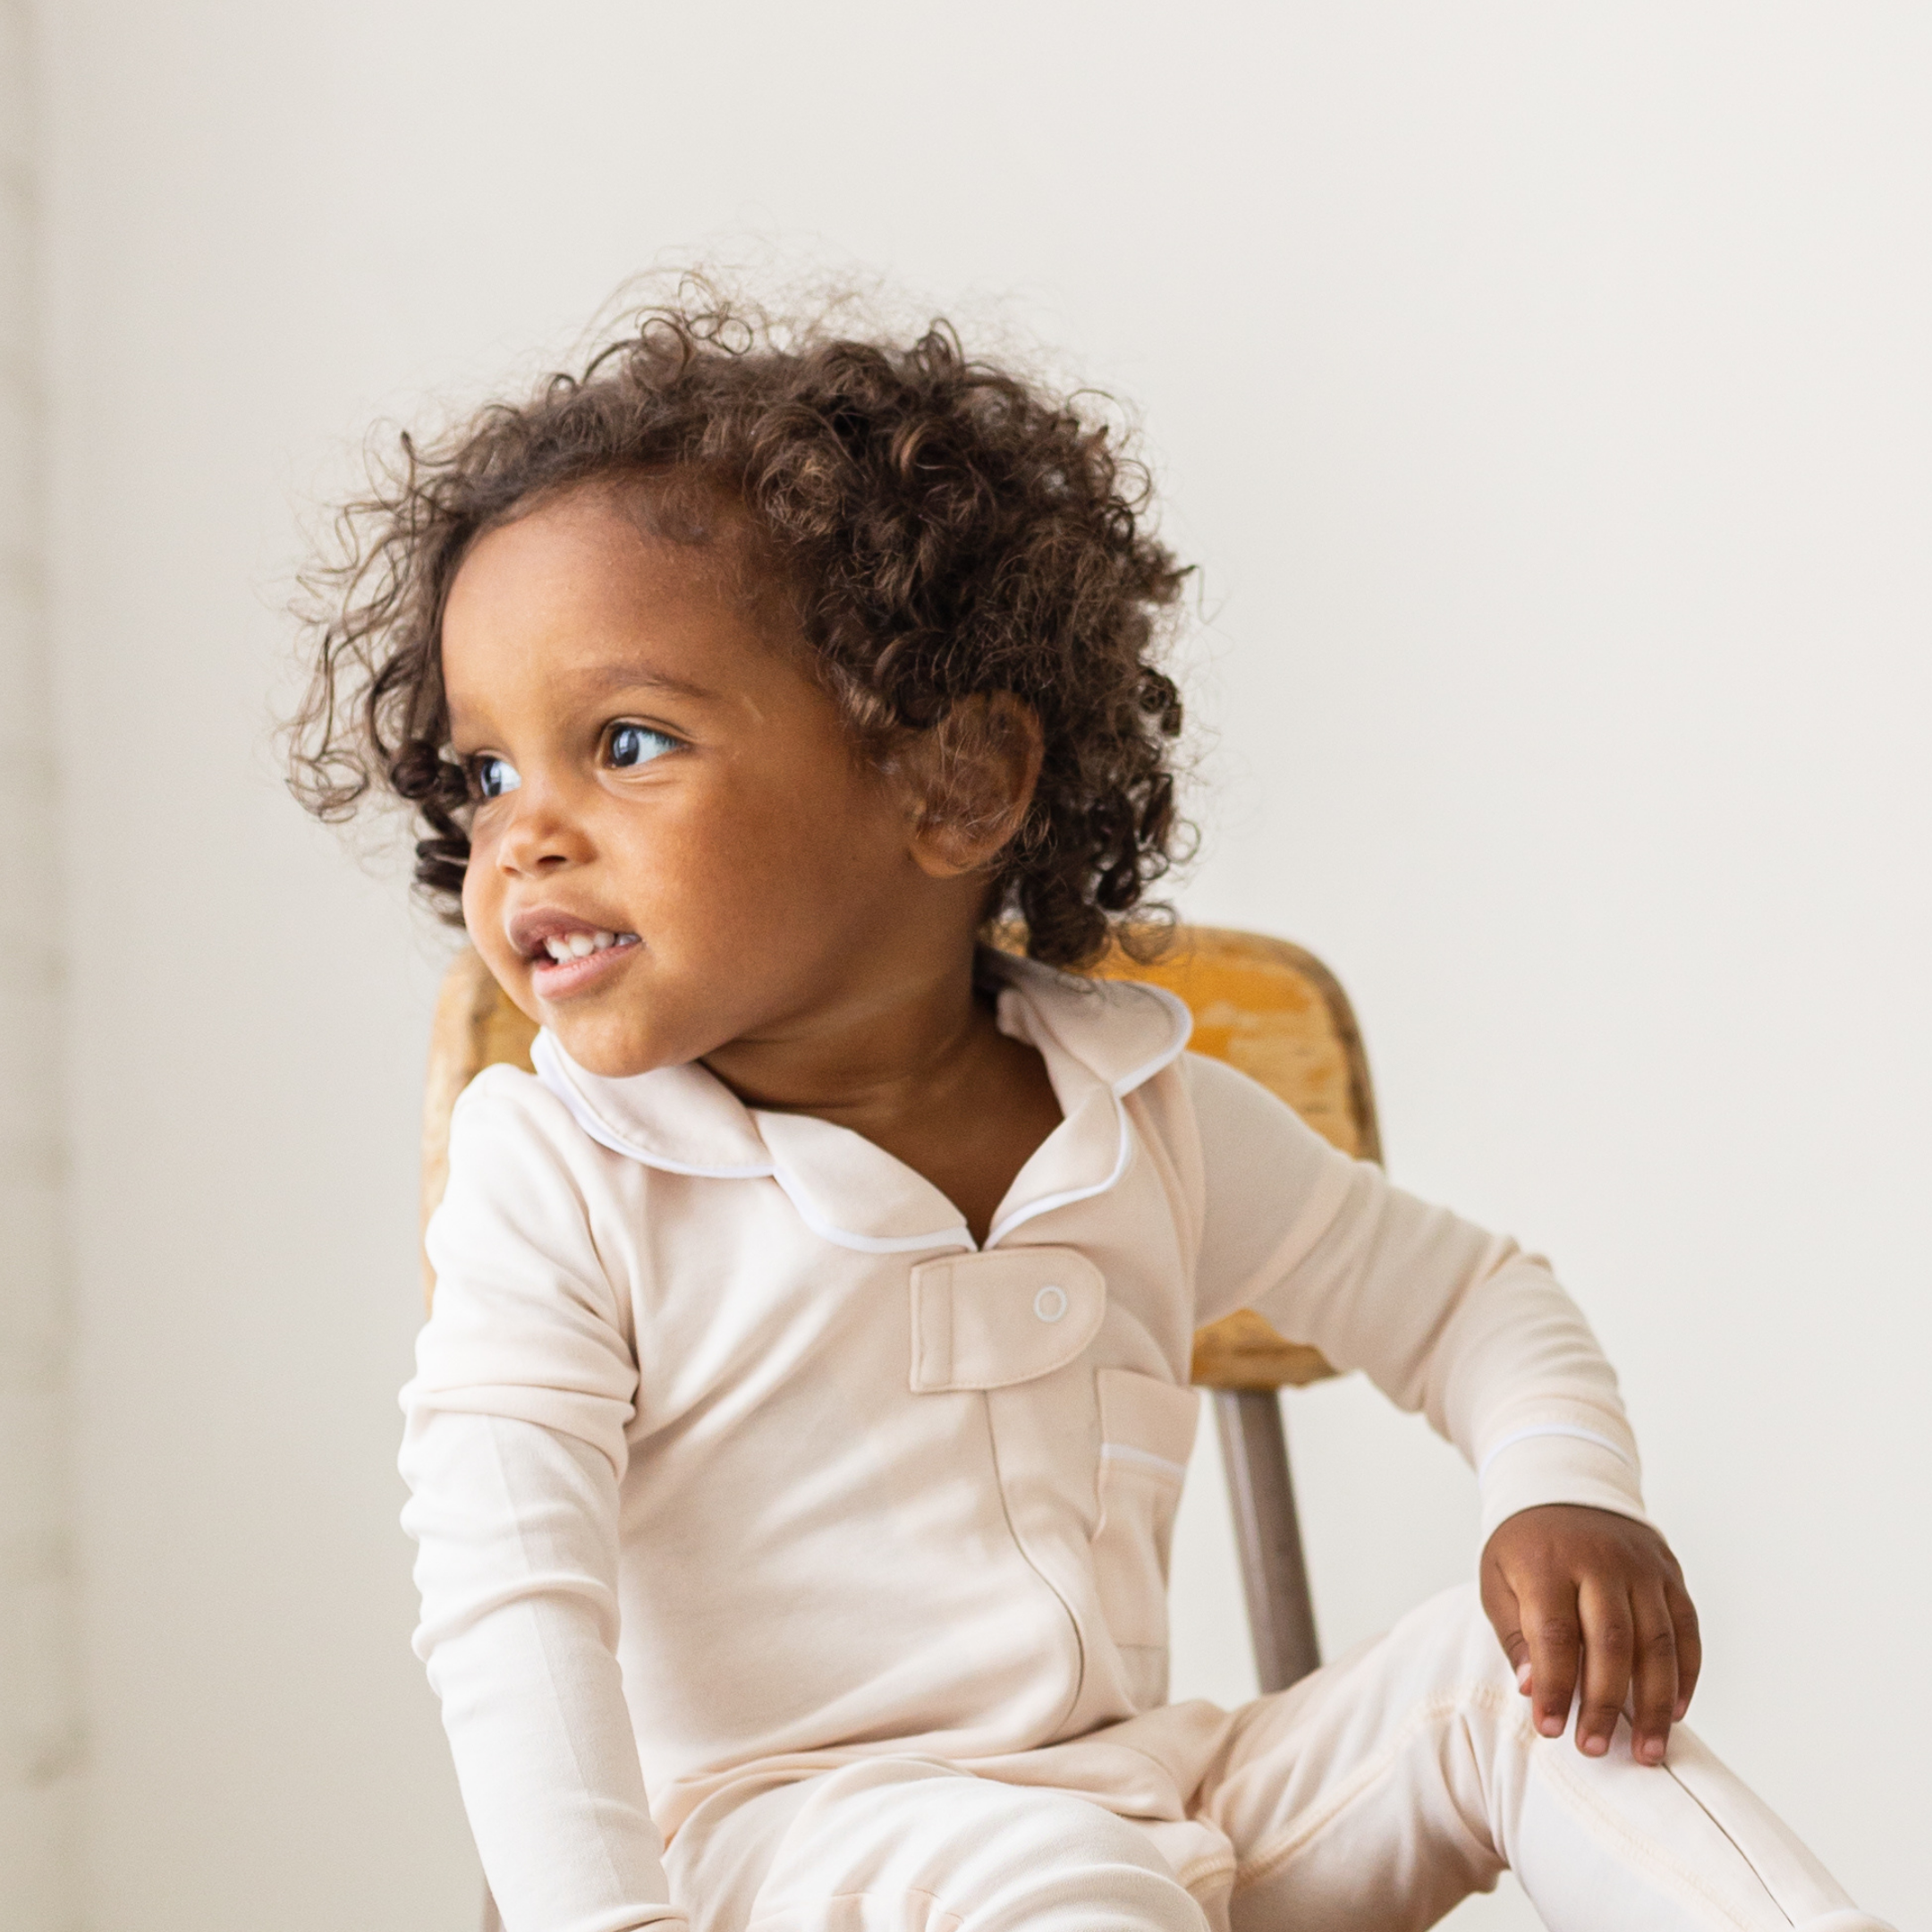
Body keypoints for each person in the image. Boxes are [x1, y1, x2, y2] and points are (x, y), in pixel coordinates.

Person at [290, 291, 1893, 1932]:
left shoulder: (1142, 1119)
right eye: (487, 774)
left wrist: (1563, 1489)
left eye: (626, 743)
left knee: (1521, 1702)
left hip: (1150, 1805)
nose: (521, 838)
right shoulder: (560, 1179)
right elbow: (513, 1602)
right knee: (1058, 1875)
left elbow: (1479, 1300)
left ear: (956, 783)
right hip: (798, 1856)